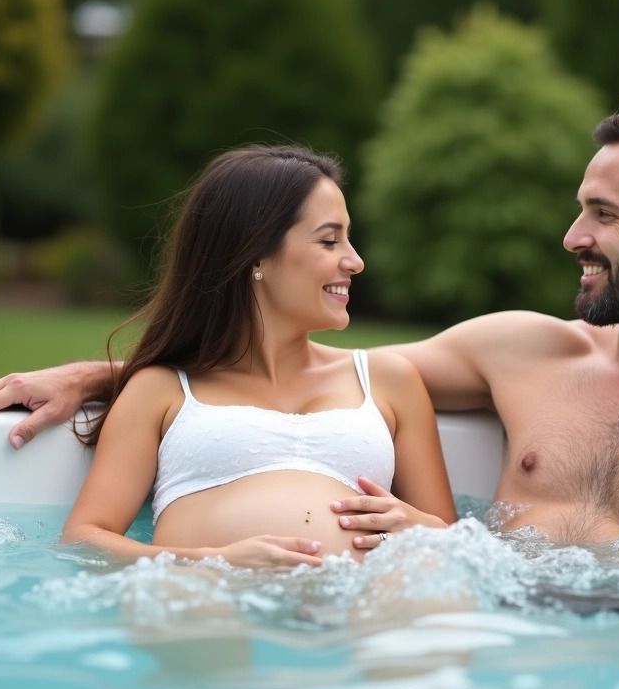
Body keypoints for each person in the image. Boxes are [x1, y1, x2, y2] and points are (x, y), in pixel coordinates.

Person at [0, 98, 619, 556]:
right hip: (481, 648)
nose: (571, 235)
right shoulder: (522, 352)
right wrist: (94, 376)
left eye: (603, 217)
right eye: (580, 208)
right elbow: (284, 364)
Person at [50, 145, 456, 568]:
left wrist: (420, 527)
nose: (355, 261)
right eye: (330, 240)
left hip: (361, 604)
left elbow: (457, 546)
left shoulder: (390, 380)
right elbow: (83, 539)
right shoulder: (160, 389)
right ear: (256, 254)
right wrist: (209, 562)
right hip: (209, 598)